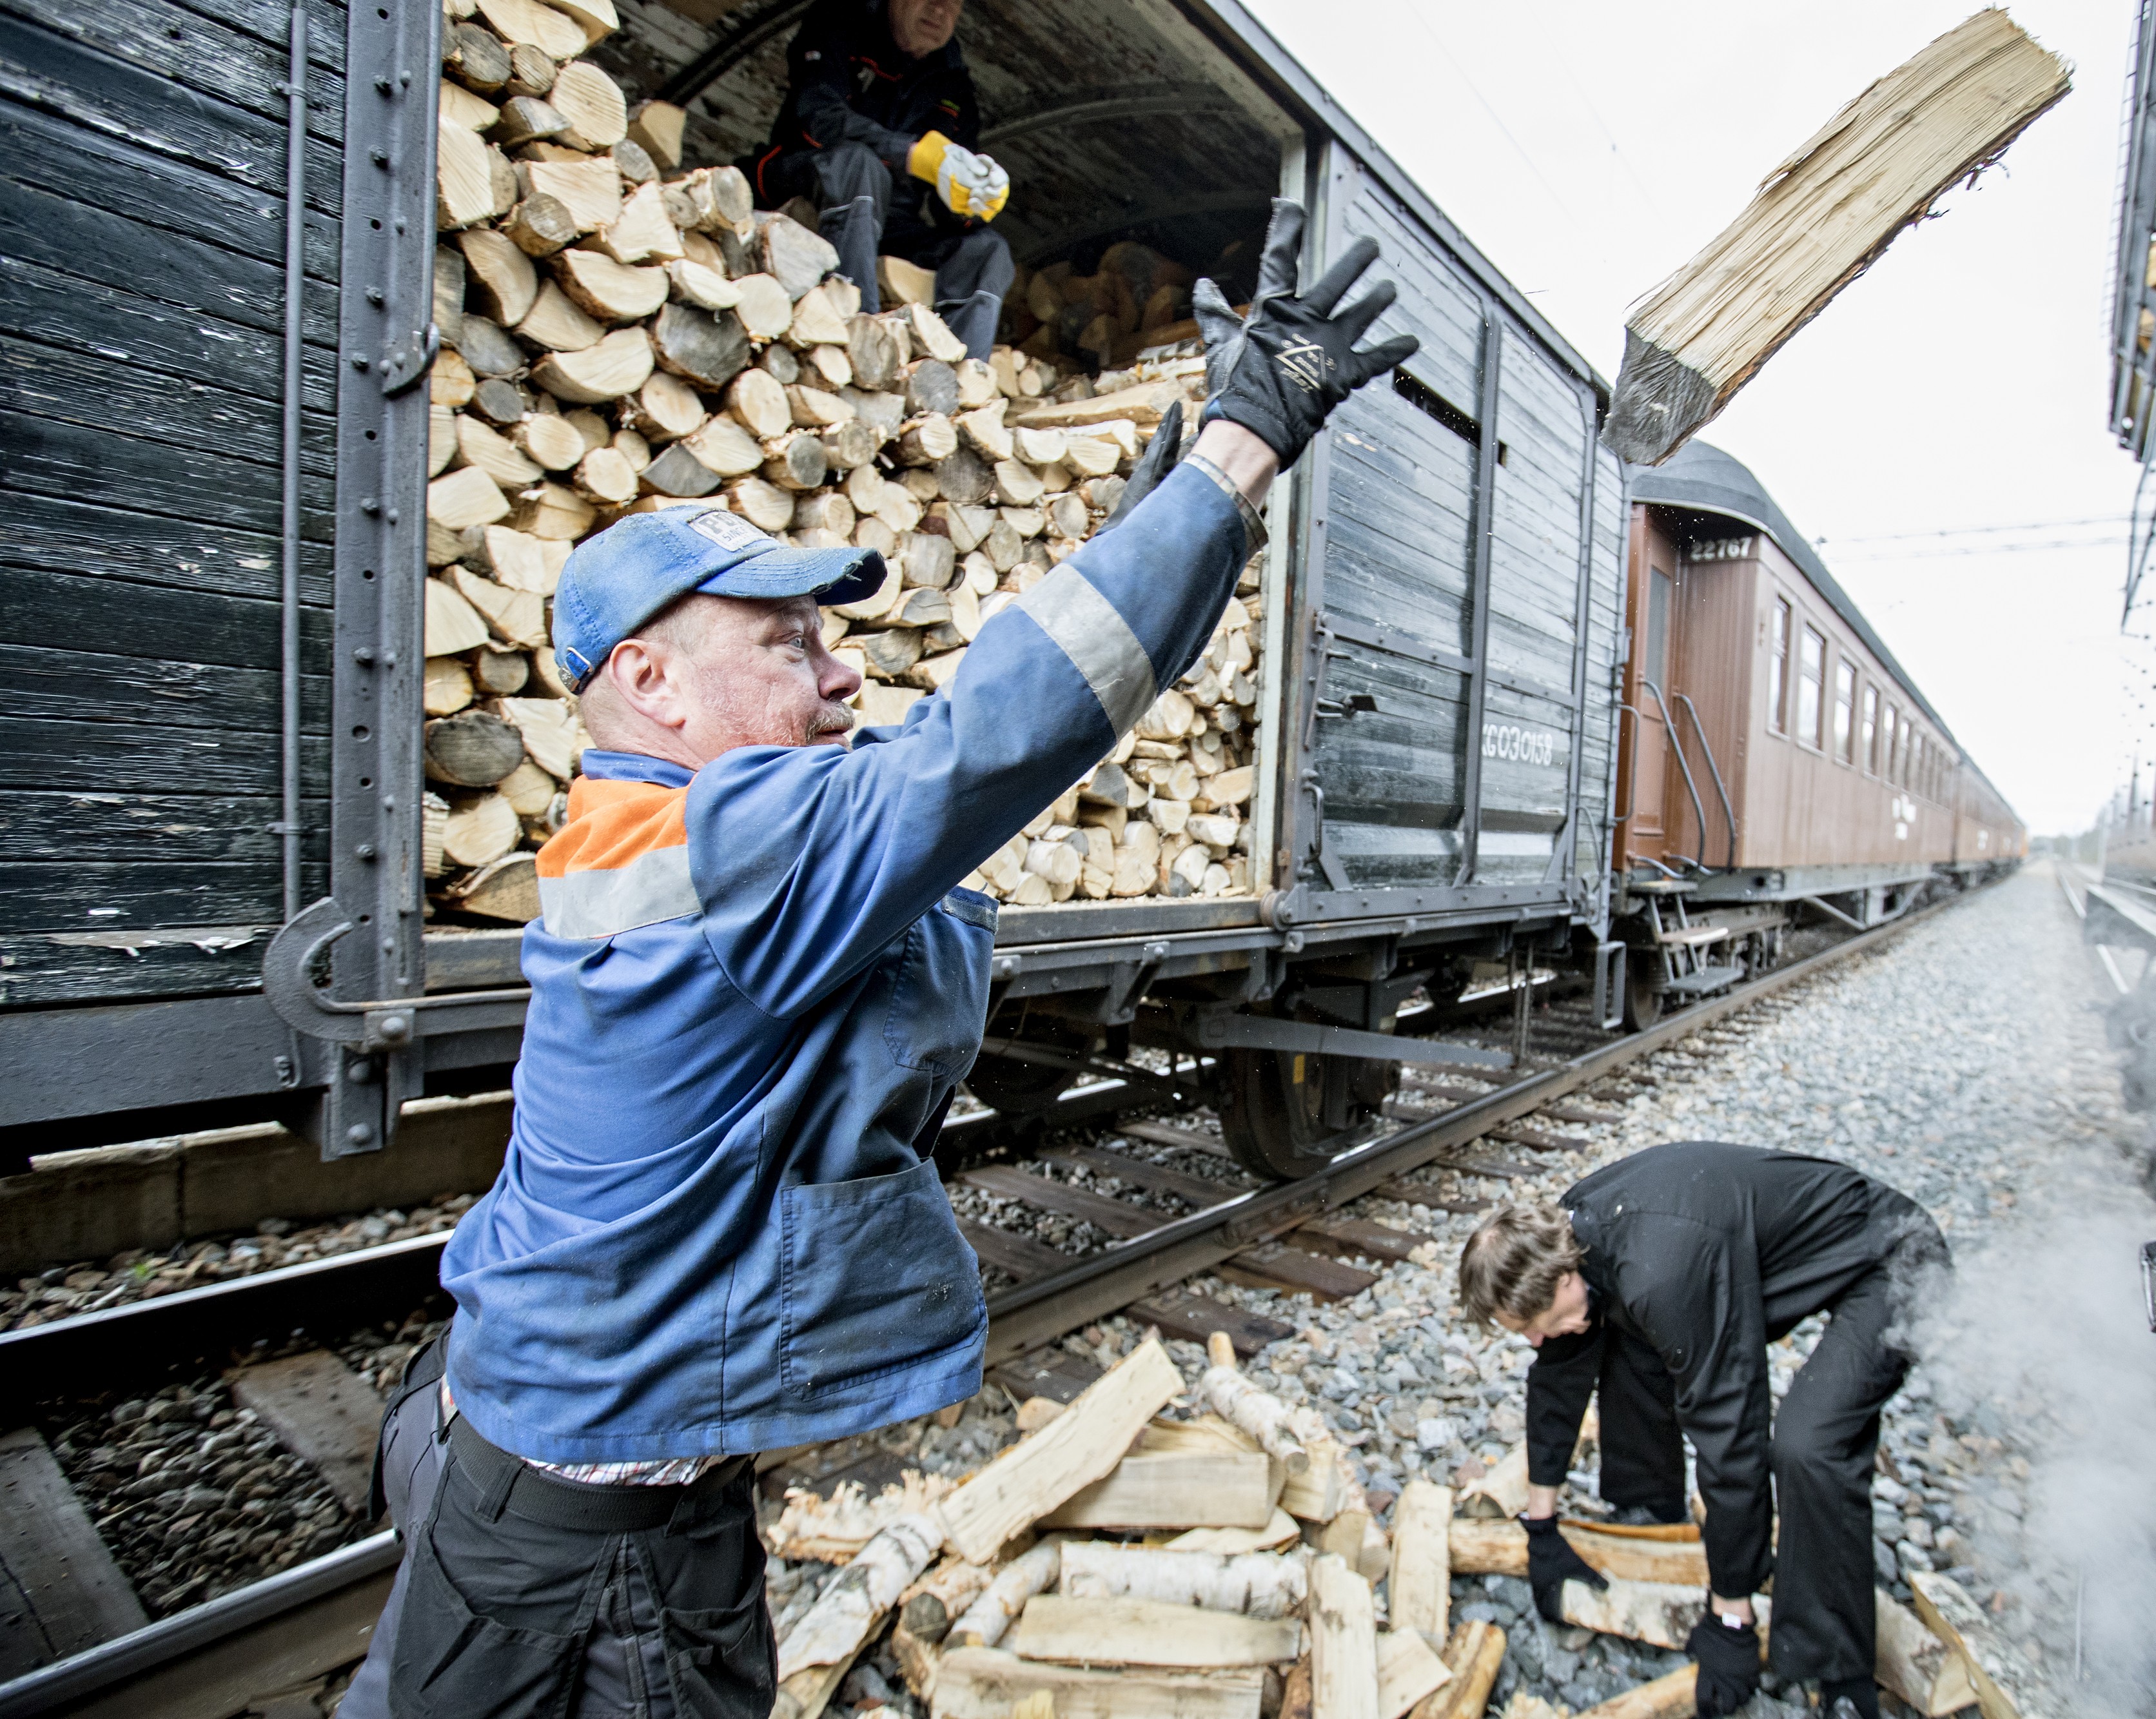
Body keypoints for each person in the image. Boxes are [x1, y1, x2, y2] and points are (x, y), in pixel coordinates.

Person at [338, 201, 1416, 1719]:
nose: (842, 667)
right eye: (786, 641)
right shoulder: (729, 852)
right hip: (597, 1548)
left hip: (521, 1432)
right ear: (648, 680)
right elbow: (993, 736)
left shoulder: (650, 833)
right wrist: (1237, 455)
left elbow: (997, 737)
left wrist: (1160, 546)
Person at [1457, 1141, 1948, 1719]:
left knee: (1808, 1445)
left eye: (1532, 1327)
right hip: (1760, 1253)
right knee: (1621, 1333)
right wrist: (1541, 1528)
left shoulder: (1663, 1272)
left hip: (1896, 1262)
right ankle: (1649, 1509)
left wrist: (1730, 1615)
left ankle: (1839, 1668)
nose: (1535, 1340)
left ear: (1563, 1280)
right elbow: (1558, 1378)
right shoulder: (1571, 1239)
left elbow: (1731, 1435)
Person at [750, 0, 1014, 358]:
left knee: (989, 250)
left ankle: (961, 377)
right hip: (803, 182)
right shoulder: (839, 23)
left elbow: (948, 211)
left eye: (953, 3)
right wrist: (911, 155)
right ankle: (860, 339)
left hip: (888, 225)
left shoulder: (954, 85)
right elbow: (819, 118)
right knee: (861, 164)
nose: (940, 11)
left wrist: (976, 197)